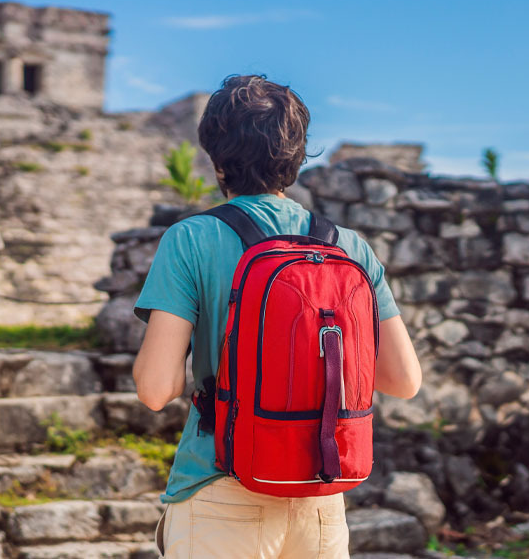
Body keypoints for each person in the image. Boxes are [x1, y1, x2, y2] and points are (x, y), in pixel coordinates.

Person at [132, 74, 423, 559]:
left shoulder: (190, 239)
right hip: (320, 496)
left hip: (220, 488)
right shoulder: (348, 246)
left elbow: (156, 390)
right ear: (298, 153)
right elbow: (404, 380)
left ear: (214, 155)